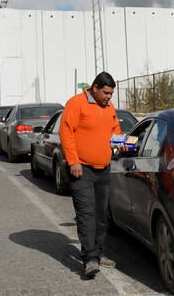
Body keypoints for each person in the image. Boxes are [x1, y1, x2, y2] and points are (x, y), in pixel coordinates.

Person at [59, 71, 123, 279]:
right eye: (106, 93)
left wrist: (122, 143)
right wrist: (73, 161)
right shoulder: (76, 103)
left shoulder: (109, 107)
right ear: (94, 88)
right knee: (86, 214)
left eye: (111, 94)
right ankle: (90, 259)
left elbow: (115, 129)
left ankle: (98, 251)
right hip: (82, 169)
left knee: (101, 215)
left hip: (103, 168)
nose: (109, 97)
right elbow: (66, 132)